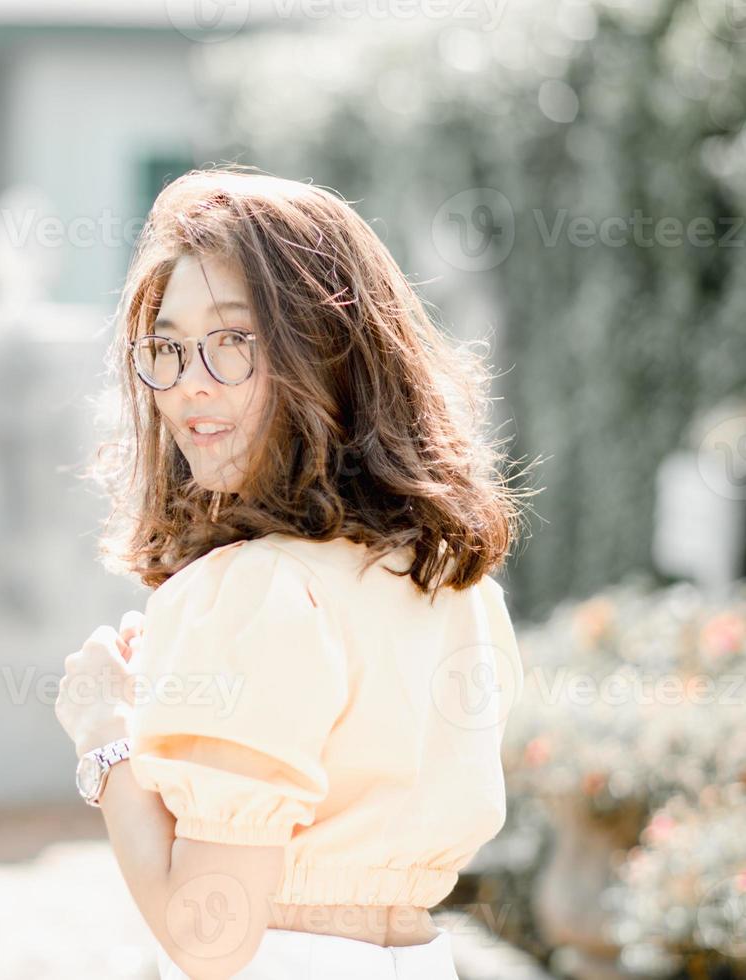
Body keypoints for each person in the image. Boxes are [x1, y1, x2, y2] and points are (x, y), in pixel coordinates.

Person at [56, 166, 534, 980]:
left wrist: (106, 740)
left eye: (233, 342)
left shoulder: (254, 591)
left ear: (329, 350)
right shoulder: (450, 585)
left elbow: (209, 939)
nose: (189, 386)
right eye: (165, 347)